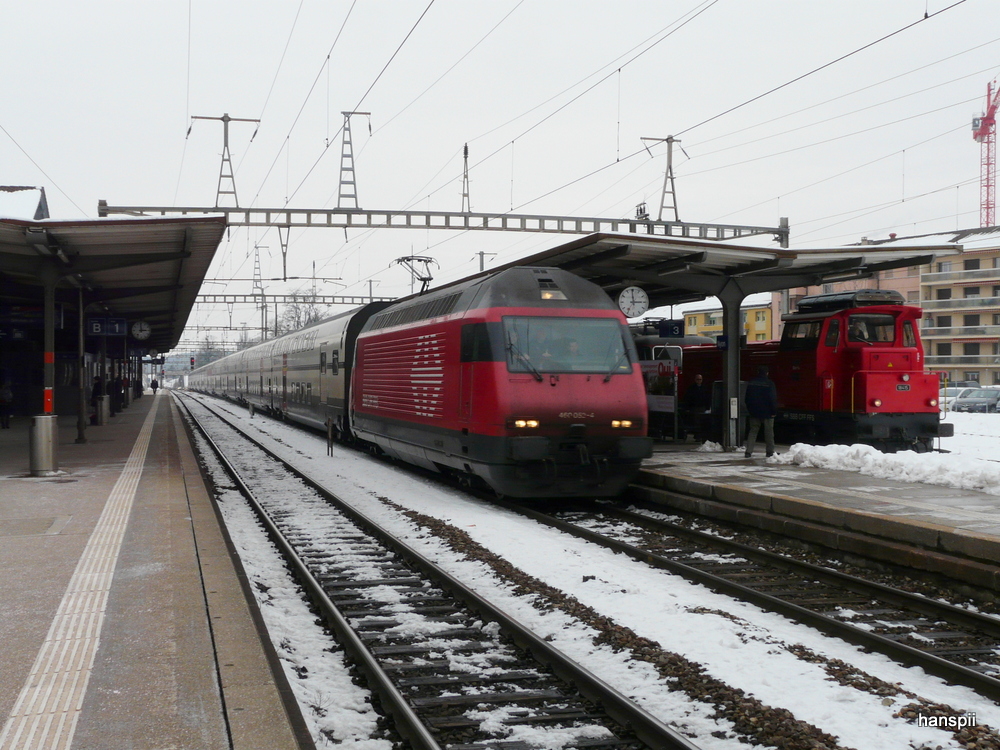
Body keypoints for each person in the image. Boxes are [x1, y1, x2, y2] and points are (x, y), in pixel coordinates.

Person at [744, 365, 778, 458]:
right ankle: (770, 452)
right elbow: (772, 399)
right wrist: (774, 411)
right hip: (767, 412)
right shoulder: (770, 383)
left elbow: (747, 398)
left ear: (758, 372)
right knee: (769, 433)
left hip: (754, 412)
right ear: (767, 373)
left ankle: (748, 452)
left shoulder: (751, 383)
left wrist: (750, 409)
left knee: (753, 432)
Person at [681, 373, 712, 441]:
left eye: (700, 379)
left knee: (702, 422)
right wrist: (688, 407)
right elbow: (688, 398)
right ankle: (697, 436)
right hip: (694, 407)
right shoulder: (692, 388)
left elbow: (708, 398)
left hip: (702, 407)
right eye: (698, 379)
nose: (699, 381)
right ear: (695, 380)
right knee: (696, 422)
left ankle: (701, 436)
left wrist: (707, 407)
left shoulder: (704, 388)